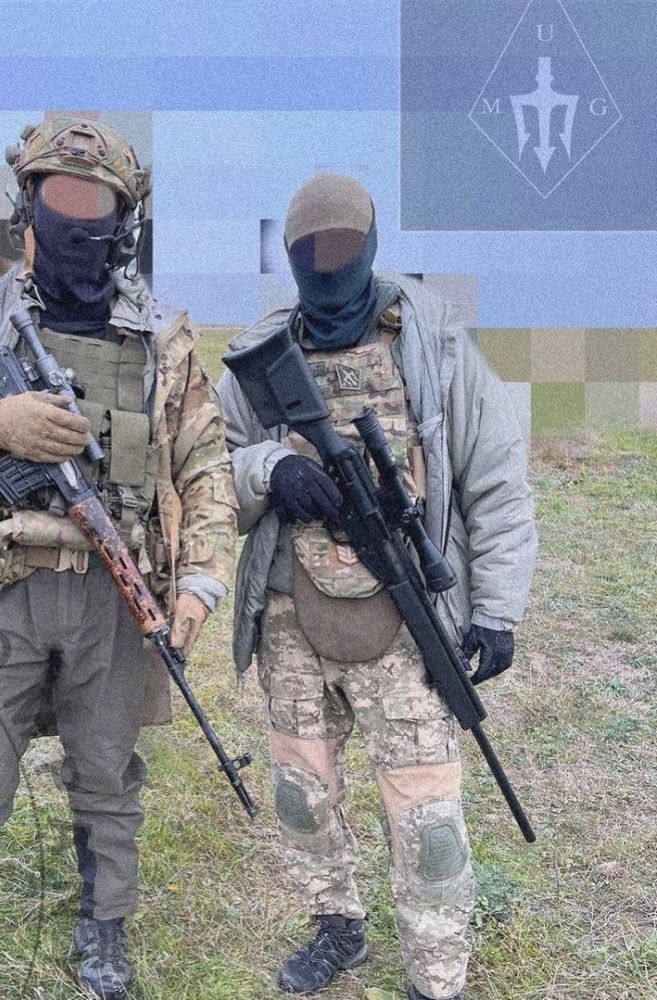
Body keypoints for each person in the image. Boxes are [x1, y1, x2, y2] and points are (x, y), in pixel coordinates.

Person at [0, 114, 237, 1000]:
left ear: (125, 220)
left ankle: (103, 933)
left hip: (115, 595)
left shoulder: (163, 341)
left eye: (93, 205)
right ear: (25, 209)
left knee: (107, 781)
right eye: (56, 200)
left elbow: (207, 468)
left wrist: (200, 582)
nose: (75, 221)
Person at [217, 173, 536, 1000]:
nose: (325, 273)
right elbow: (209, 469)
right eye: (308, 259)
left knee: (427, 821)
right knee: (301, 793)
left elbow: (497, 482)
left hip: (406, 613)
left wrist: (495, 609)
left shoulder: (436, 343)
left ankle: (436, 974)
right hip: (291, 612)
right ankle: (337, 926)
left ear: (370, 248)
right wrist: (270, 467)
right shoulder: (260, 354)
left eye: (341, 254)